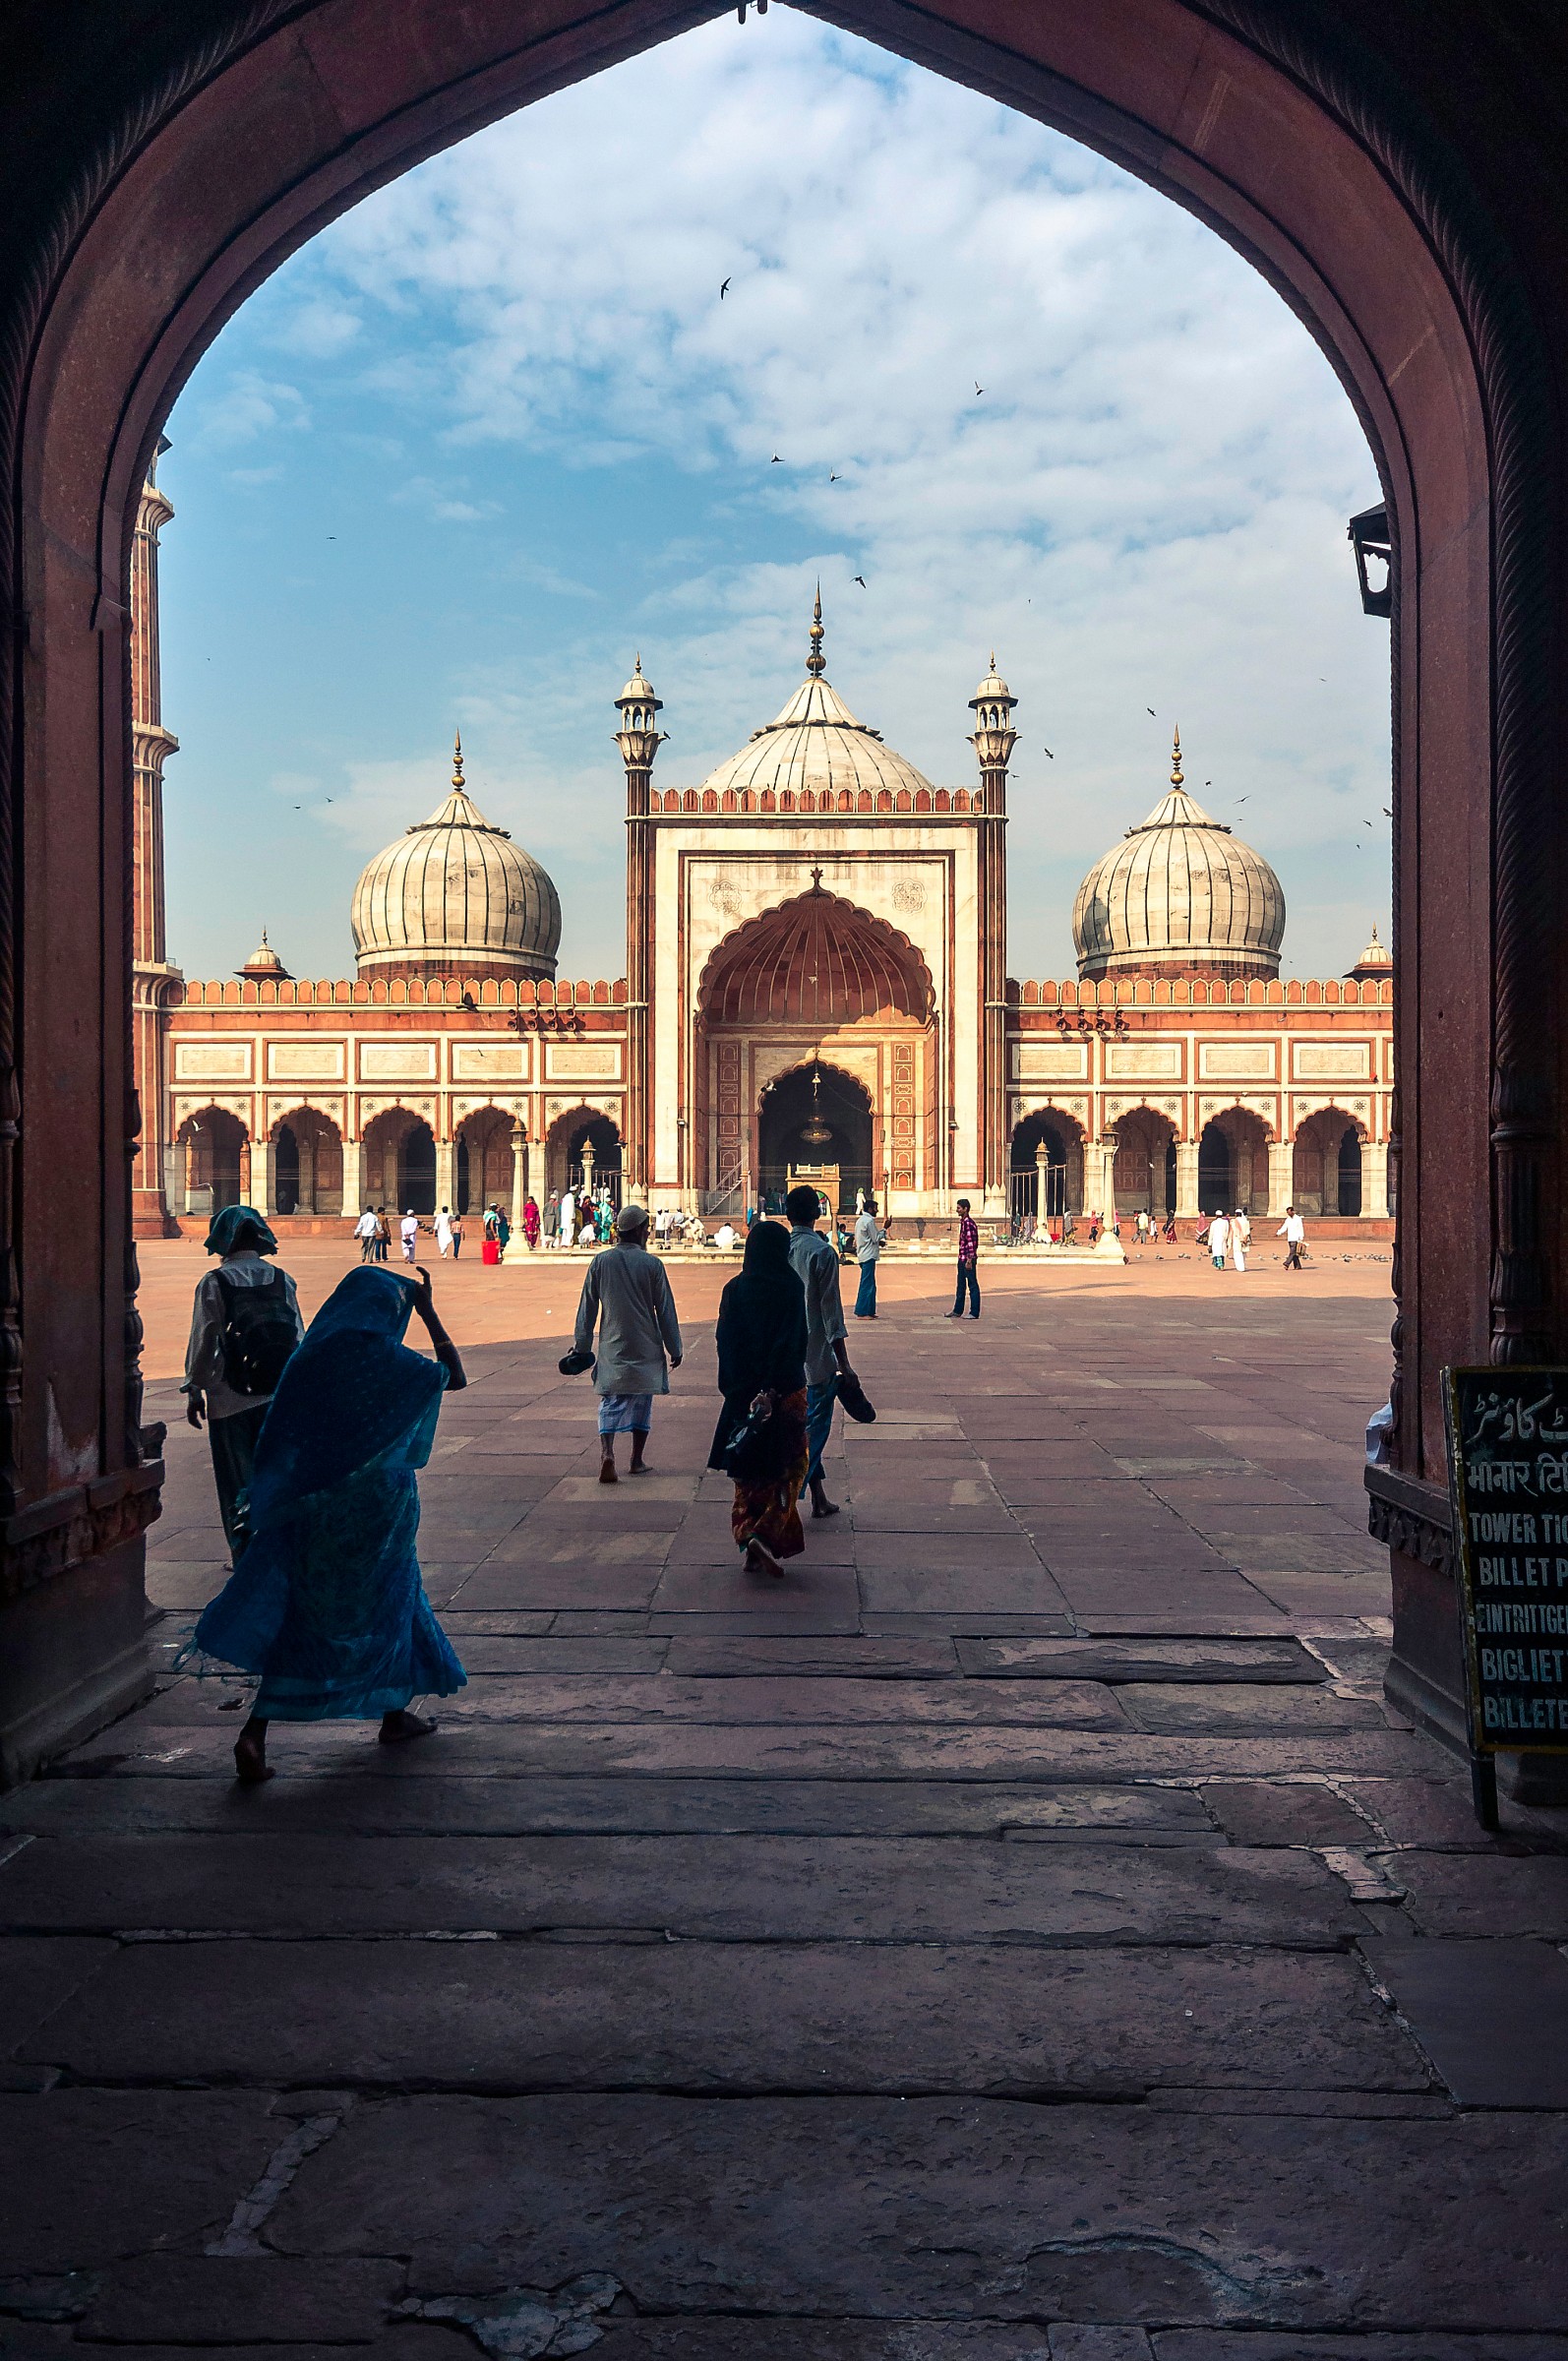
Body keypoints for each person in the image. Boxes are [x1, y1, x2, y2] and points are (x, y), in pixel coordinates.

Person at [187, 1262, 467, 1786]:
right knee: (390, 1599)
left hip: (315, 1511)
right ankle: (391, 1715)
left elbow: (277, 1439)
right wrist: (429, 1314)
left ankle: (257, 1731)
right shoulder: (389, 1362)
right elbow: (453, 1375)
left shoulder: (308, 1359)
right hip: (379, 1511)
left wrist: (278, 1498)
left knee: (308, 1616)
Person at [182, 1204, 305, 1566]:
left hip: (229, 1398)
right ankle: (280, 1547)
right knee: (275, 1473)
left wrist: (195, 1387)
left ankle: (245, 1555)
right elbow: (297, 1335)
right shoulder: (282, 1279)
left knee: (237, 1479)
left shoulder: (214, 1282)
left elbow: (204, 1341)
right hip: (275, 1393)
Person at [709, 1217, 811, 1579]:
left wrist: (742, 1389)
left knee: (747, 1472)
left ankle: (748, 1542)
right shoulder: (790, 1287)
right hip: (783, 1396)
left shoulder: (734, 1289)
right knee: (791, 1467)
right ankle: (763, 1535)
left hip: (741, 1395)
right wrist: (770, 1390)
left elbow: (726, 1342)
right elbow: (792, 1342)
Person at [572, 1202, 684, 1483]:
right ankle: (636, 1459)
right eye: (645, 1229)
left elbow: (587, 1308)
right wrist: (675, 1347)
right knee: (642, 1400)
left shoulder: (601, 1261)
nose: (648, 1233)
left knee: (611, 1399)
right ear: (637, 1231)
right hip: (646, 1343)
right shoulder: (652, 1264)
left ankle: (607, 1452)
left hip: (613, 1342)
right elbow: (666, 1310)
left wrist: (582, 1346)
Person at [787, 1181, 857, 1519]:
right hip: (815, 1359)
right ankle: (785, 1499)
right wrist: (844, 1363)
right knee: (813, 1433)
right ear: (818, 1213)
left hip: (784, 1358)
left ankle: (819, 1498)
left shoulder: (779, 1249)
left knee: (796, 1428)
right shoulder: (823, 1252)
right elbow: (831, 1313)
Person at [947, 1196, 980, 1319]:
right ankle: (957, 1310)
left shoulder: (968, 1223)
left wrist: (969, 1260)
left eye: (959, 1208)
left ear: (965, 1209)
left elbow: (971, 1243)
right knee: (960, 1285)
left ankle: (974, 1312)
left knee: (972, 1285)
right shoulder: (963, 1222)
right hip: (962, 1258)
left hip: (967, 1259)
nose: (957, 1210)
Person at [854, 1190, 882, 1318]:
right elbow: (875, 1237)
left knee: (870, 1284)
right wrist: (885, 1229)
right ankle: (862, 1311)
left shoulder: (861, 1220)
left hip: (863, 1253)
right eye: (875, 1209)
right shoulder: (869, 1221)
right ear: (870, 1209)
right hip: (868, 1255)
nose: (877, 1211)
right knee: (867, 1284)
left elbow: (867, 1238)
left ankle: (870, 1310)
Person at [1279, 1204, 1307, 1270]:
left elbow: (1300, 1228)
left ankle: (1287, 1263)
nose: (1288, 1214)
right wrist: (1279, 1232)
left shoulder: (1298, 1219)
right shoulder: (1288, 1219)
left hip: (1296, 1238)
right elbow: (1284, 1227)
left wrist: (1301, 1237)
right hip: (1290, 1238)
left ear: (1292, 1211)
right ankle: (1298, 1266)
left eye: (1289, 1212)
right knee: (1295, 1253)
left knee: (1292, 1252)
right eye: (1287, 1212)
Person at [1232, 1206, 1251, 1273]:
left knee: (1237, 1253)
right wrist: (1245, 1238)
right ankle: (1243, 1266)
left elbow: (1235, 1231)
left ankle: (1240, 1267)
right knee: (1243, 1253)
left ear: (1235, 1214)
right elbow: (1248, 1231)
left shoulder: (1234, 1221)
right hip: (1245, 1238)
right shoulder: (1246, 1221)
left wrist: (1240, 1237)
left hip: (1237, 1239)